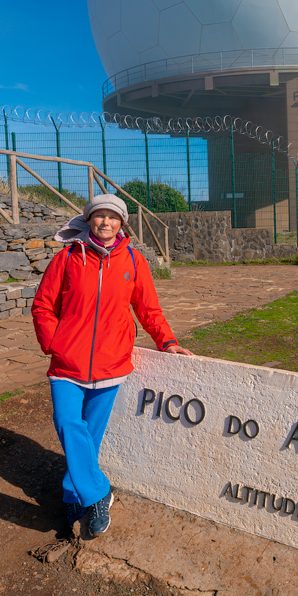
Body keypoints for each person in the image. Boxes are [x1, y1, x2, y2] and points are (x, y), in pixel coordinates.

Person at [32, 194, 193, 537]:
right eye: (99, 216)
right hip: (67, 364)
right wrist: (53, 344)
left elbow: (148, 308)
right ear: (89, 220)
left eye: (112, 217)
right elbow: (42, 306)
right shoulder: (67, 258)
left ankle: (73, 495)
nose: (105, 222)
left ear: (122, 223)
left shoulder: (134, 261)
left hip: (111, 365)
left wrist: (168, 342)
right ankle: (98, 493)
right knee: (67, 423)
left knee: (91, 434)